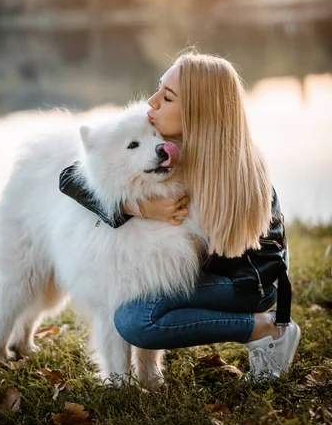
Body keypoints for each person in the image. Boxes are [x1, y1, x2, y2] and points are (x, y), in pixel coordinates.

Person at [59, 52, 301, 379]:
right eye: (158, 89)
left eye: (167, 97)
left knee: (136, 320)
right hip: (213, 276)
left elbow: (223, 250)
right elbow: (71, 177)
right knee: (133, 307)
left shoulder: (227, 166)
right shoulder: (172, 145)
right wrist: (137, 207)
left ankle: (265, 329)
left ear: (197, 109)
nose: (151, 102)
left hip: (249, 281)